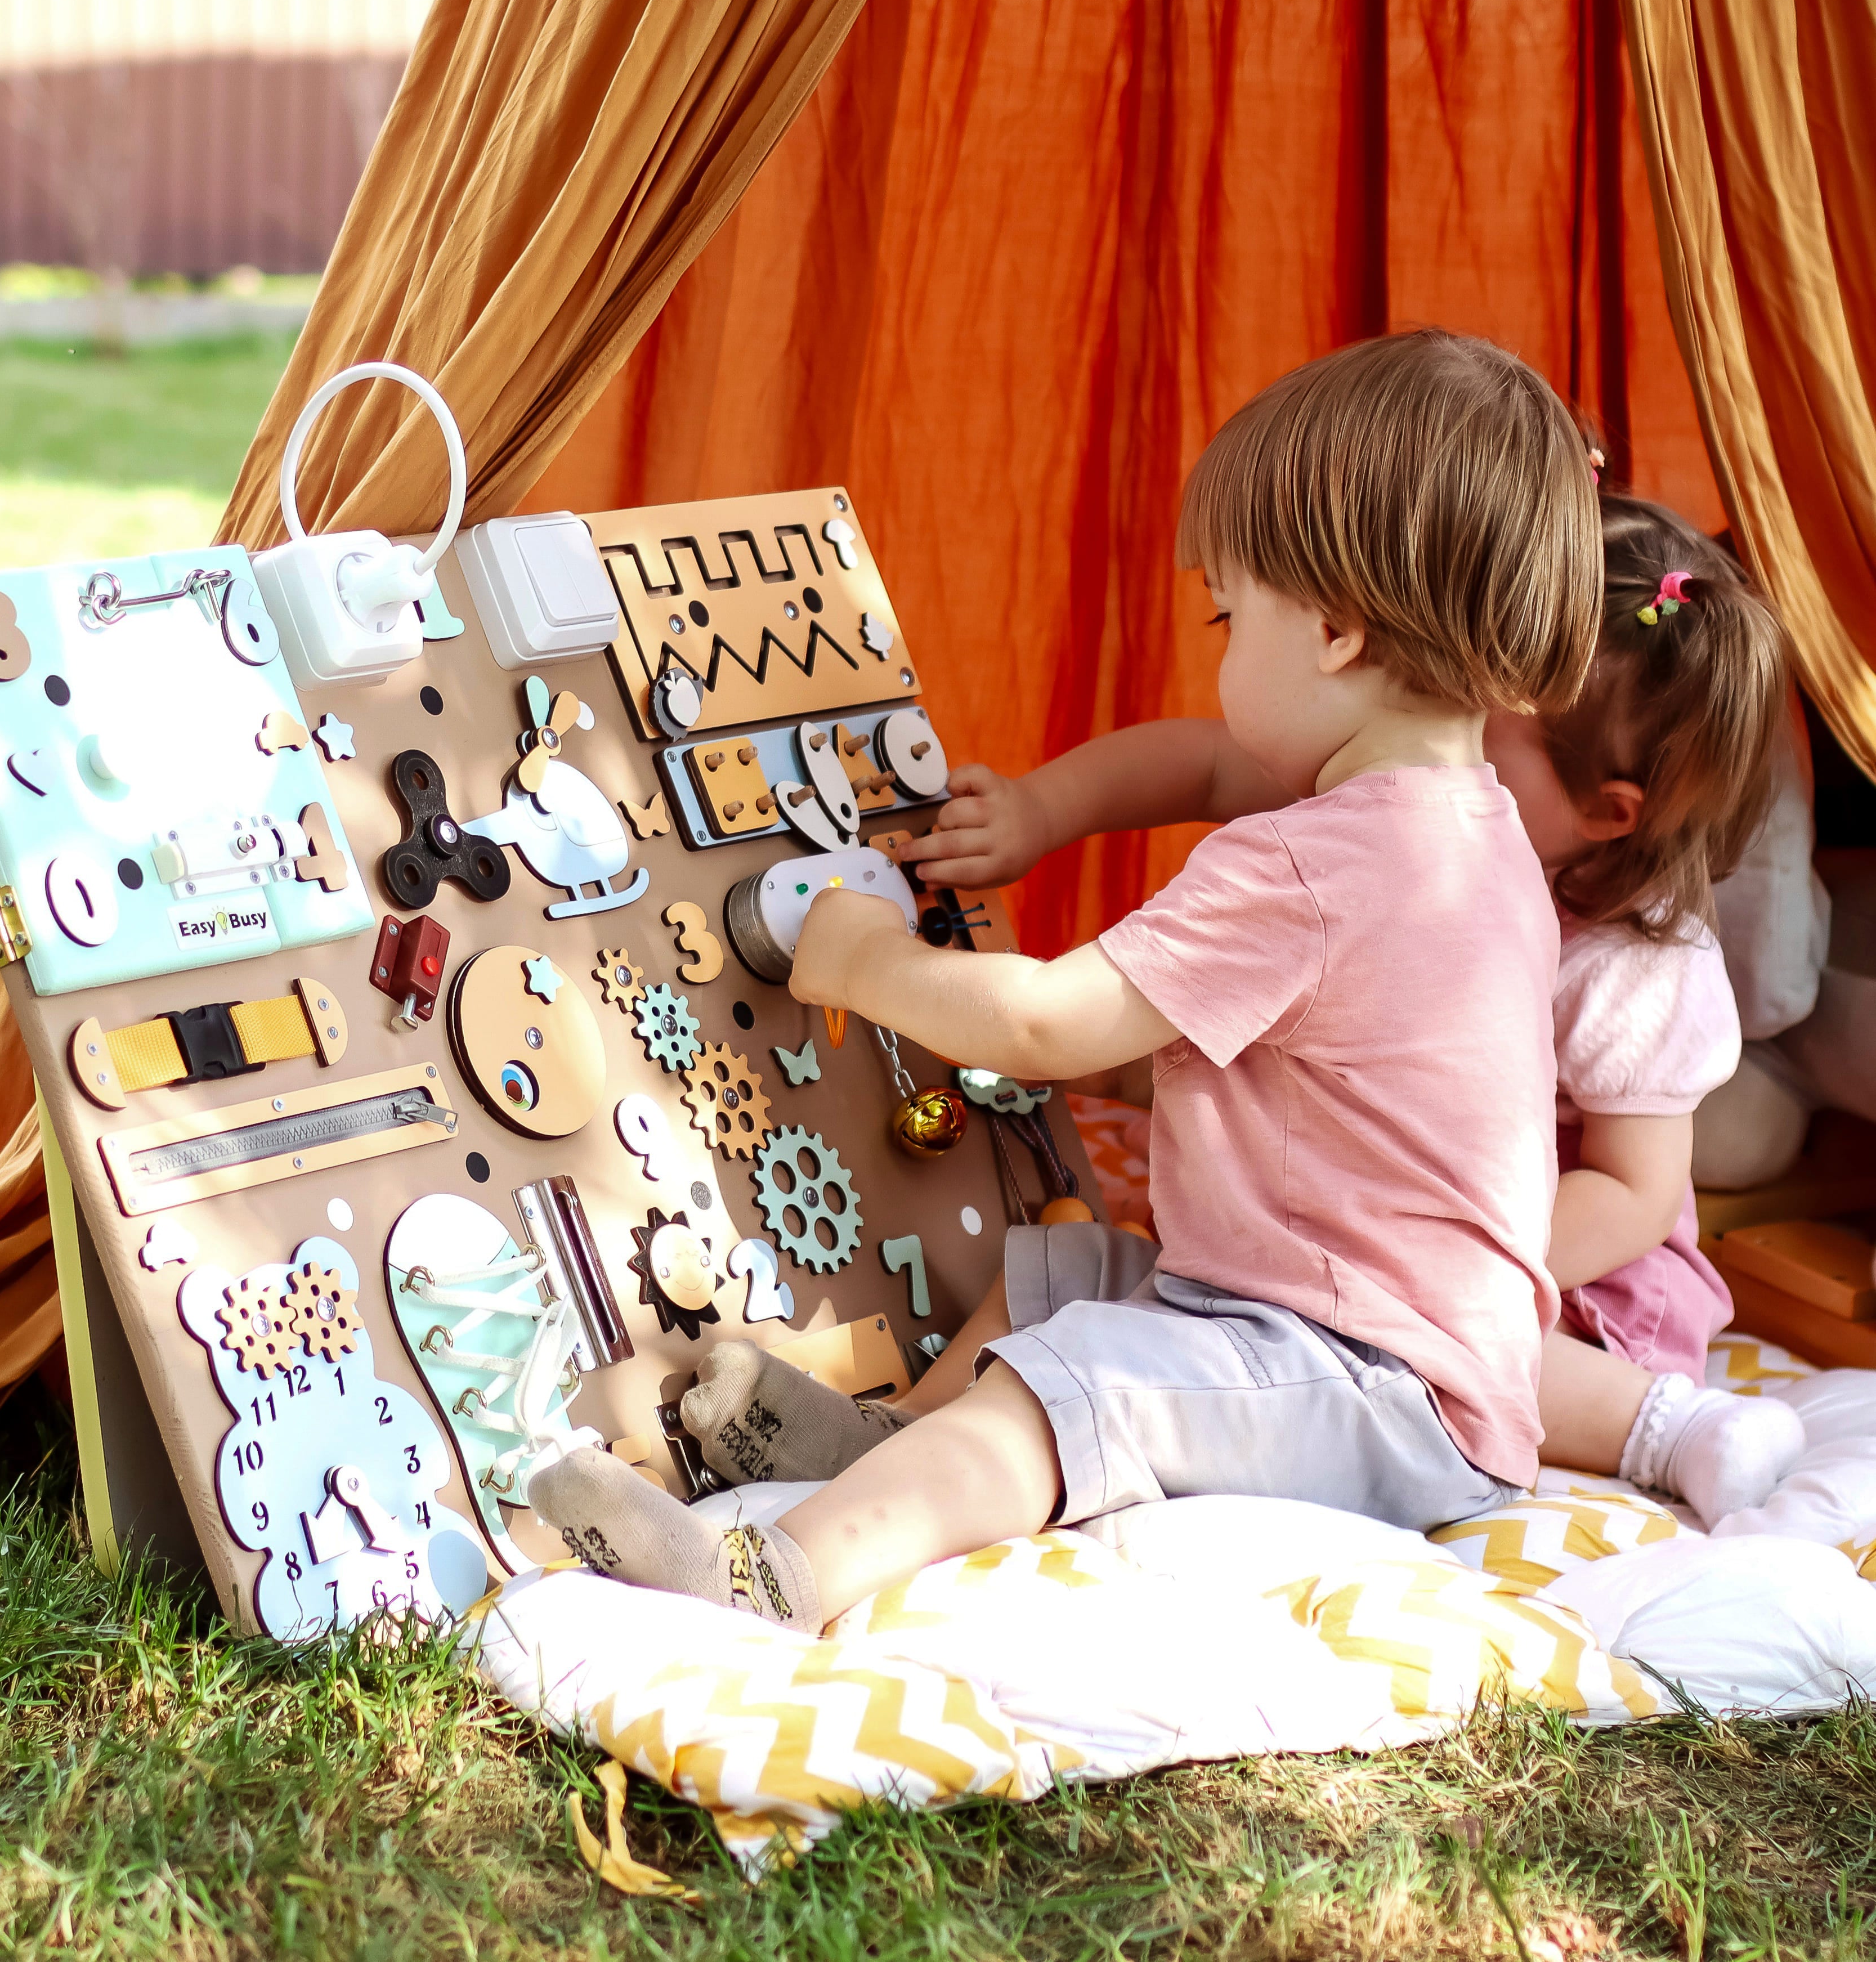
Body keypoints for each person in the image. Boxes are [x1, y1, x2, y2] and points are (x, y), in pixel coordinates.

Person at [530, 327, 1605, 1632]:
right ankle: (887, 1455)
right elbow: (1208, 763)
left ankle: (769, 1573)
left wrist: (869, 958)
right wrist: (1042, 813)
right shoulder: (1469, 826)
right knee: (1072, 1274)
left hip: (1377, 1384)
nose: (1217, 650)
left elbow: (1044, 1023)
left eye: (1228, 613)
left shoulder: (1315, 866)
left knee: (1085, 1374)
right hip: (1363, 1348)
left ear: (1330, 631)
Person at [1493, 494, 1808, 1511]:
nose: (1443, 742)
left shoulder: (1633, 961)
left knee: (1439, 1355)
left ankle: (1681, 1435)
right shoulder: (1486, 846)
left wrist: (1483, 1271)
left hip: (1581, 1279)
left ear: (1602, 812)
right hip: (1466, 1200)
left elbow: (1632, 1190)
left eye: (1486, 731)